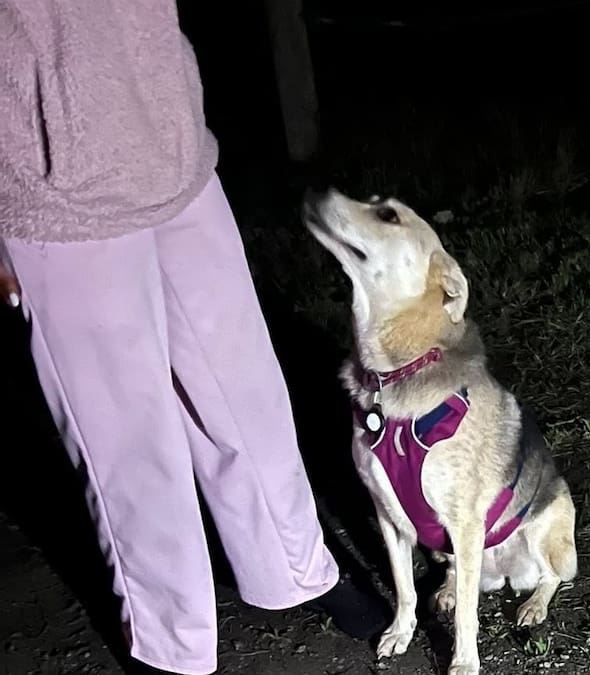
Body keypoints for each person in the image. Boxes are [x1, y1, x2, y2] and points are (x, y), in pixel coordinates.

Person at [0, 2, 389, 674]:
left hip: (167, 134)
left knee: (244, 385)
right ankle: (171, 647)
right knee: (129, 440)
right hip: (48, 178)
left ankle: (295, 566)